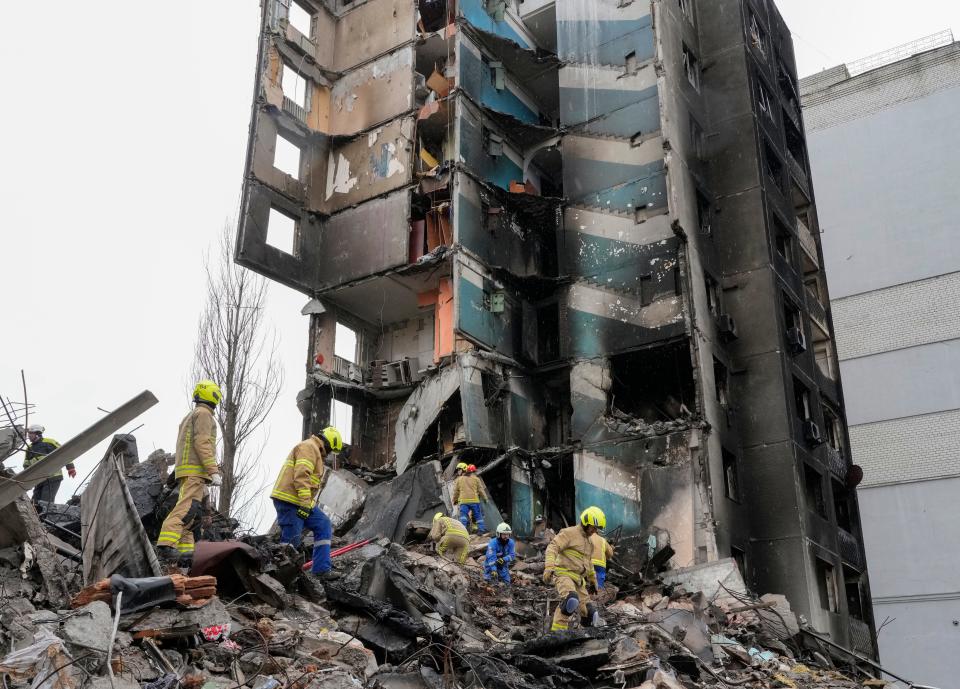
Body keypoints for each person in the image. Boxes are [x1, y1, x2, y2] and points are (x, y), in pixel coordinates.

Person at [156, 381, 222, 567]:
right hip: (195, 471)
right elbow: (202, 443)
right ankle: (166, 544)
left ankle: (185, 557)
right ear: (213, 396)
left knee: (191, 517)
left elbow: (185, 446)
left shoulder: (190, 416)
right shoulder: (204, 414)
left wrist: (173, 476)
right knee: (186, 509)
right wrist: (213, 470)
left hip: (188, 470)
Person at [271, 426, 343, 580]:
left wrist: (306, 503)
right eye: (331, 450)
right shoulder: (309, 447)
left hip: (301, 500)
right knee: (292, 541)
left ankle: (321, 570)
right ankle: (280, 577)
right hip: (290, 500)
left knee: (323, 524)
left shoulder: (315, 451)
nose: (330, 453)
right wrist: (305, 503)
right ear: (329, 443)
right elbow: (301, 477)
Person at [544, 506, 606, 632]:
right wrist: (549, 567)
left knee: (591, 613)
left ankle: (585, 637)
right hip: (564, 575)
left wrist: (593, 581)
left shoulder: (590, 543)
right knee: (570, 601)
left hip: (579, 580)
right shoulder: (569, 533)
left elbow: (589, 564)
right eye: (593, 527)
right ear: (585, 522)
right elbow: (552, 547)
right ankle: (557, 634)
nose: (594, 531)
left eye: (596, 529)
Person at [24, 424, 76, 506]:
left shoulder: (49, 442)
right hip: (39, 480)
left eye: (30, 433)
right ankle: (36, 518)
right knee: (34, 504)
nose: (28, 435)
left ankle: (44, 518)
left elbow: (64, 452)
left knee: (45, 503)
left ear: (37, 433)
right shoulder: (29, 448)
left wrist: (70, 468)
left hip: (52, 477)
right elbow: (26, 465)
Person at [452, 463, 487, 533]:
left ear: (463, 469)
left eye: (459, 469)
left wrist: (454, 500)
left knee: (463, 516)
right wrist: (485, 498)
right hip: (475, 501)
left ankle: (463, 531)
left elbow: (456, 492)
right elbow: (481, 490)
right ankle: (481, 530)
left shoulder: (459, 480)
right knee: (478, 516)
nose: (458, 471)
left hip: (464, 502)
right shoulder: (476, 479)